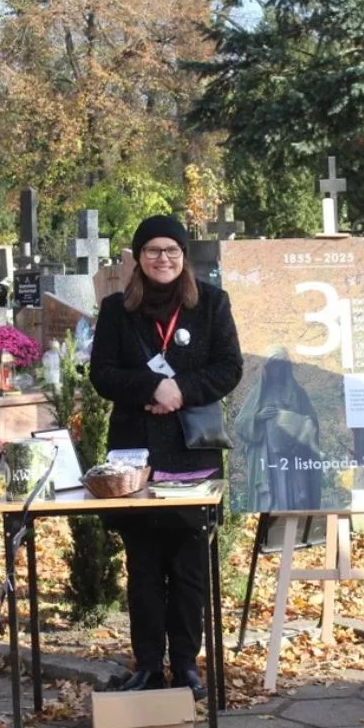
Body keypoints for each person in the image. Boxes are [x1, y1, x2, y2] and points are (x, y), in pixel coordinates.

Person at [89, 215, 243, 700]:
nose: (163, 259)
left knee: (189, 565)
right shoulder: (118, 309)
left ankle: (187, 663)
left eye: (172, 251)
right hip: (135, 455)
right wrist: (153, 387)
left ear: (184, 257)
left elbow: (229, 367)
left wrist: (182, 390)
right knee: (144, 566)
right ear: (139, 257)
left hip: (191, 452)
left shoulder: (212, 304)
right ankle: (149, 665)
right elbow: (103, 374)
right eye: (153, 250)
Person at [234, 348, 323, 511]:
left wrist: (298, 424)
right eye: (274, 365)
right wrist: (258, 417)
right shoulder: (259, 393)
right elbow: (240, 423)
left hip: (294, 456)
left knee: (298, 498)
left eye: (281, 365)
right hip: (269, 457)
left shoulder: (297, 392)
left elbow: (312, 421)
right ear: (268, 368)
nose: (278, 370)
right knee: (273, 500)